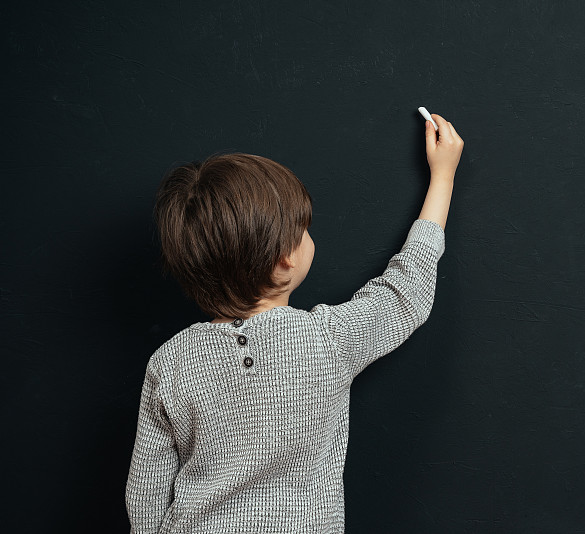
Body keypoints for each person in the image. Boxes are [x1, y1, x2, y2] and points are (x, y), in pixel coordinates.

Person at [125, 113, 463, 533]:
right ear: (285, 259)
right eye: (303, 229)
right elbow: (404, 292)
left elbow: (144, 499)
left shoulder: (169, 363)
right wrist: (443, 177)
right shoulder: (326, 340)